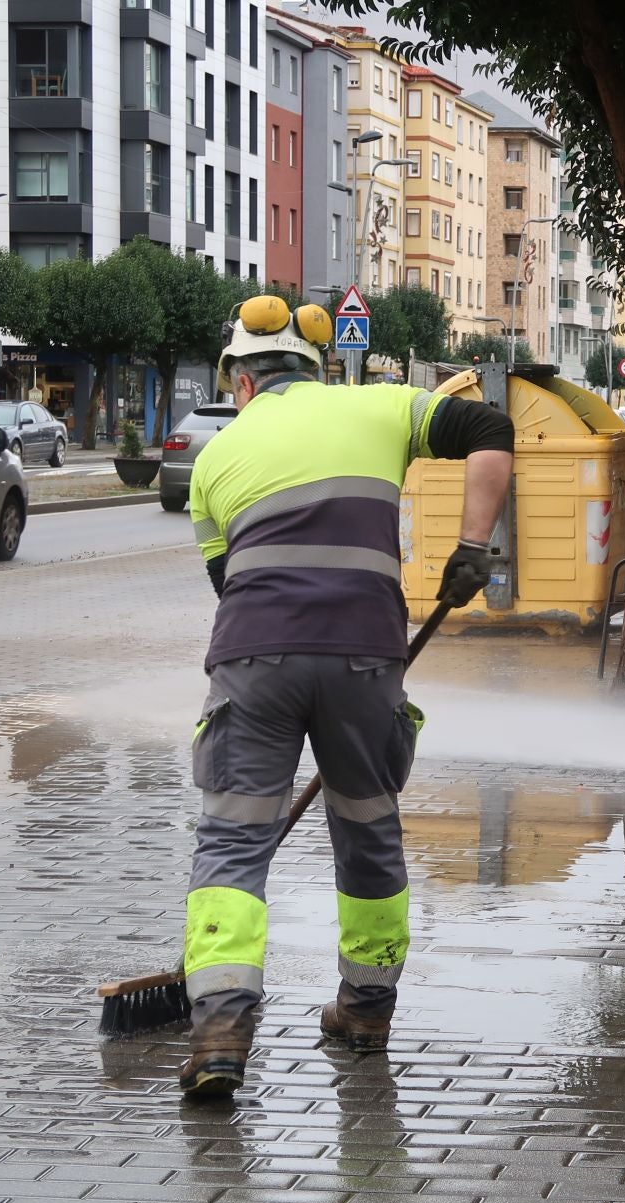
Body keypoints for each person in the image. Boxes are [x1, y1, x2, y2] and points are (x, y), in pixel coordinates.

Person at [178, 295, 516, 1098]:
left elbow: (228, 585)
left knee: (233, 844)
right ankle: (366, 1011)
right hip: (366, 656)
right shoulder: (384, 403)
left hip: (254, 659)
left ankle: (222, 1027)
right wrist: (473, 549)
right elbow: (490, 431)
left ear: (243, 381)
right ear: (320, 365)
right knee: (367, 828)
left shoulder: (216, 459)